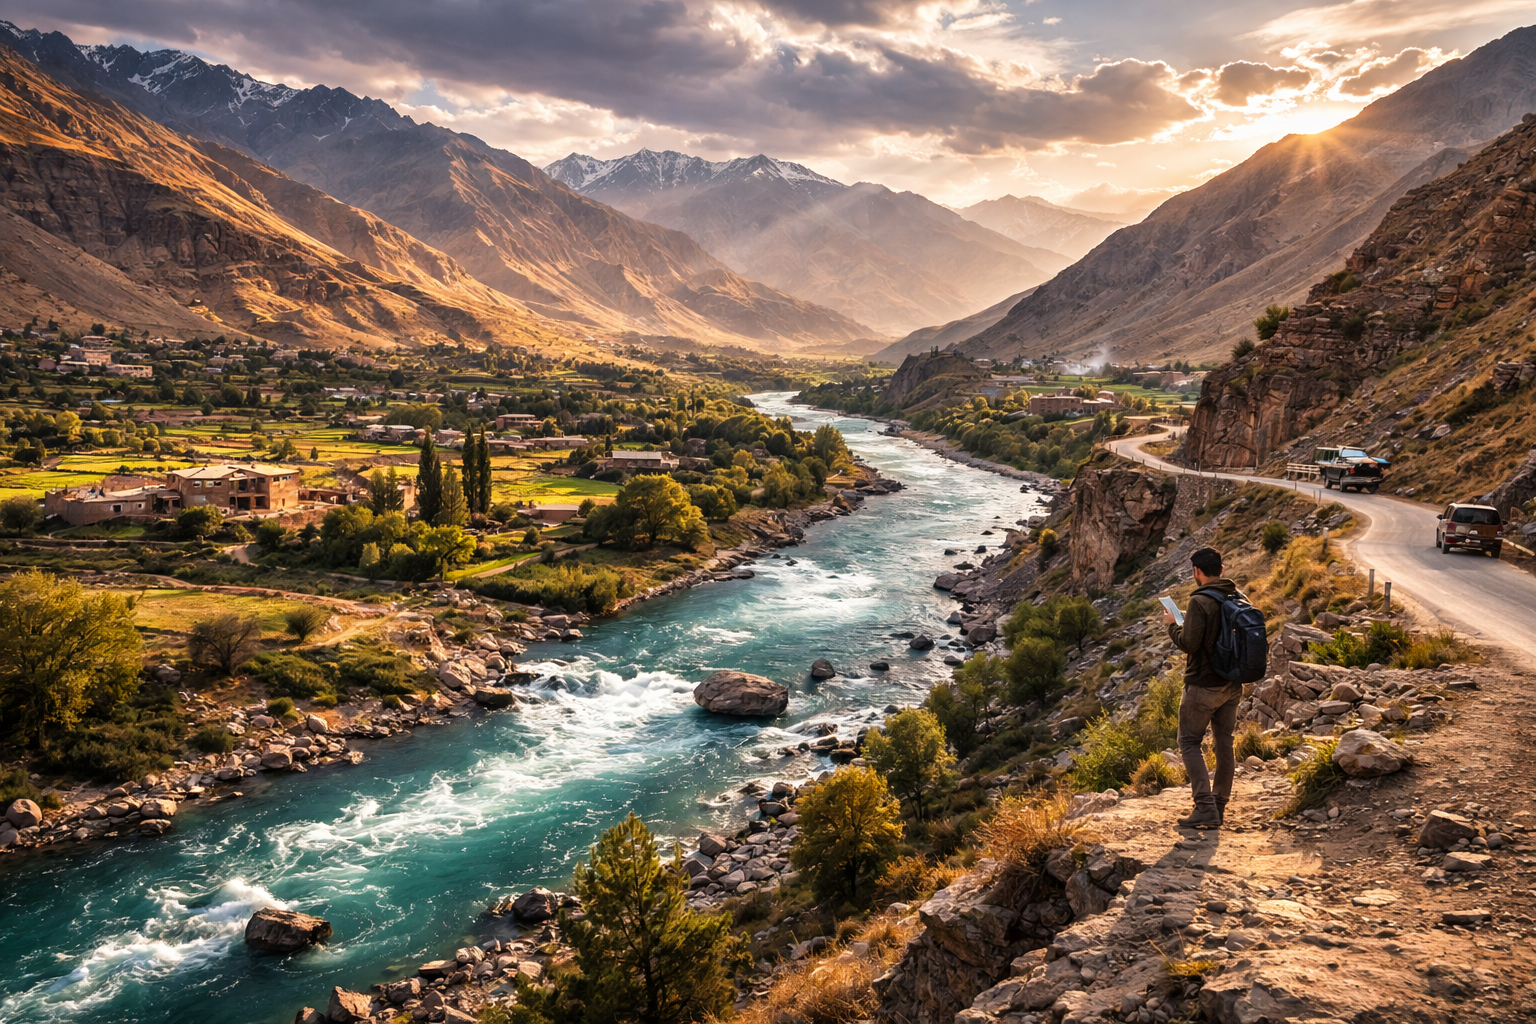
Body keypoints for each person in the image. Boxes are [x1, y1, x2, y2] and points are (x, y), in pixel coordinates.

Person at [1161, 546, 1242, 829]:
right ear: (1220, 569)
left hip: (1203, 685)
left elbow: (1189, 644)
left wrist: (1173, 625)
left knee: (1189, 742)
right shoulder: (1235, 595)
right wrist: (1188, 619)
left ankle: (1204, 807)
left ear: (1197, 571)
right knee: (1224, 743)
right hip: (1232, 684)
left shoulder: (1200, 601)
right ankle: (1218, 805)